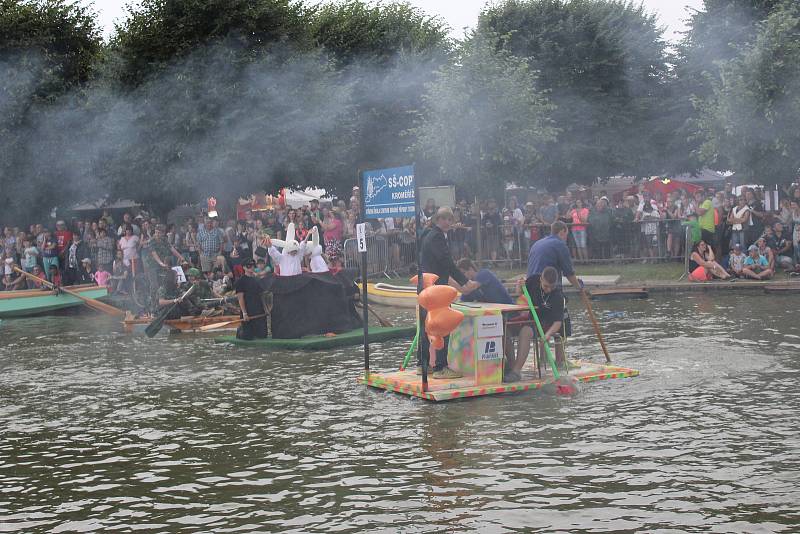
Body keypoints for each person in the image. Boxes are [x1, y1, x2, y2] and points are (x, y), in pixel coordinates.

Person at [418, 207, 479, 379]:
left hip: (426, 288)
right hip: (436, 291)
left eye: (450, 220)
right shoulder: (437, 237)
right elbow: (447, 263)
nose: (448, 222)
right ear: (438, 219)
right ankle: (440, 367)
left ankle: (422, 365)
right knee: (441, 326)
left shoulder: (428, 234)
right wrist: (465, 281)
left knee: (426, 326)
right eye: (444, 219)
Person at [506, 266, 565, 383]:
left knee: (526, 331)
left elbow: (558, 322)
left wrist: (547, 335)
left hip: (546, 324)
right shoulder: (533, 281)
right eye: (546, 286)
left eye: (551, 287)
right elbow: (519, 293)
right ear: (541, 280)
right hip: (531, 319)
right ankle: (512, 366)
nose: (548, 290)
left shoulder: (558, 296)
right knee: (505, 328)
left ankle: (516, 372)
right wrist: (519, 284)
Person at [235, 258, 268, 340]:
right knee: (247, 337)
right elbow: (240, 298)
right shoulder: (240, 281)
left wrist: (266, 309)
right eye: (249, 266)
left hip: (259, 310)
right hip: (248, 311)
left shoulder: (257, 280)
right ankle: (240, 330)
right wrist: (244, 313)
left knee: (262, 335)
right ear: (244, 267)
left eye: (253, 265)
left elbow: (262, 296)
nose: (251, 267)